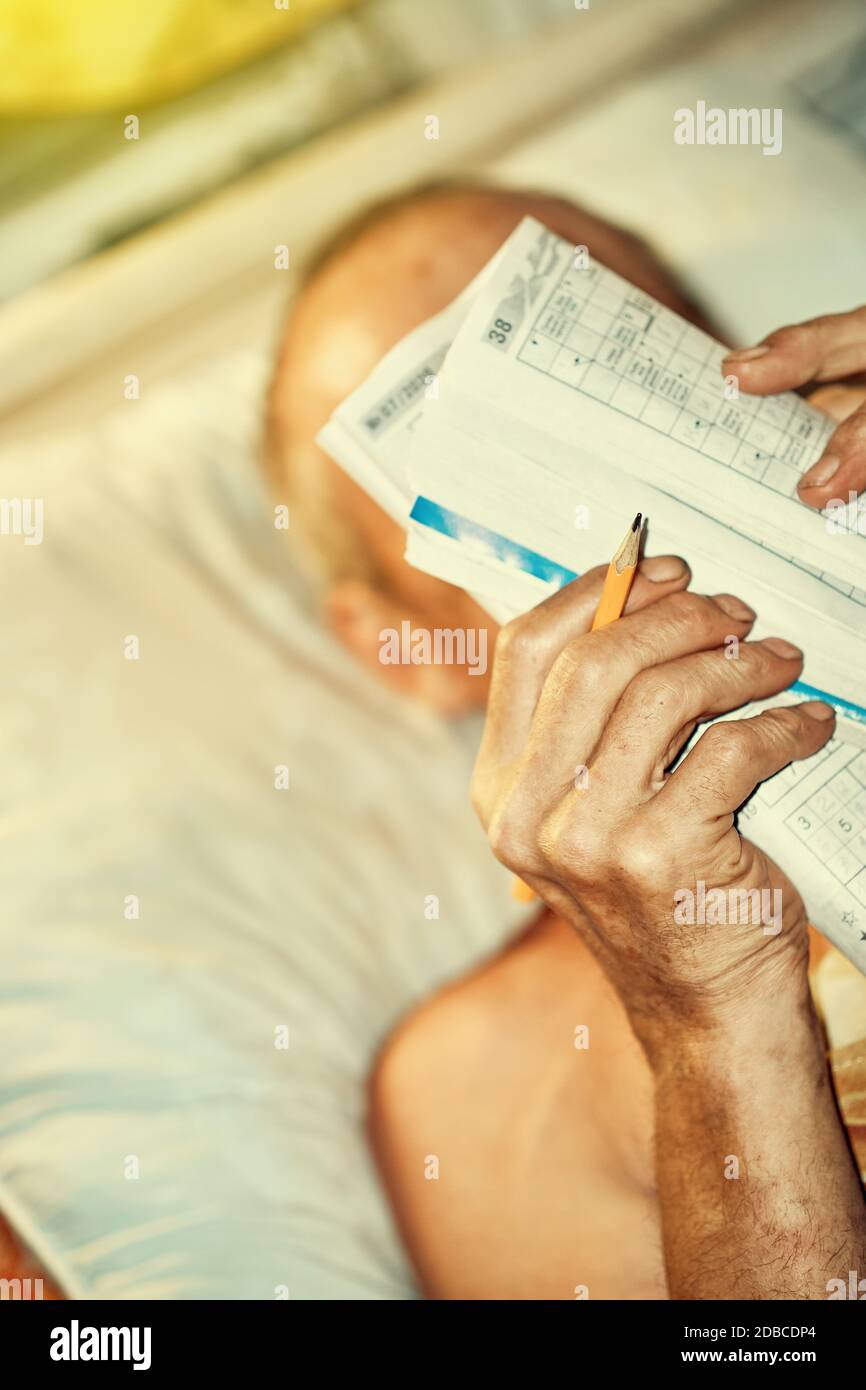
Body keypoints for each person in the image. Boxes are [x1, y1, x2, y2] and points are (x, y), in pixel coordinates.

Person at [265, 182, 866, 1300]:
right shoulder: (482, 1084)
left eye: (617, 373)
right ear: (410, 644)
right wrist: (711, 1023)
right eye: (479, 456)